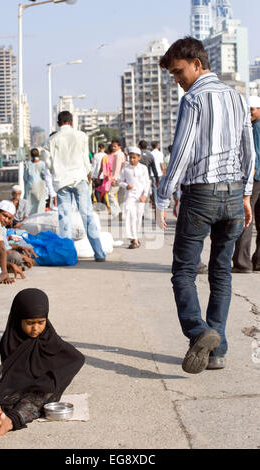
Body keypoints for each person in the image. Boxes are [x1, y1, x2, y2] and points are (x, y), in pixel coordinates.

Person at [156, 37, 255, 374]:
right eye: (172, 74)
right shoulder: (237, 97)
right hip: (232, 195)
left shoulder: (193, 98)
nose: (177, 79)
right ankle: (218, 350)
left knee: (183, 272)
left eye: (178, 71)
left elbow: (181, 152)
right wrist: (244, 194)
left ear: (197, 64)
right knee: (221, 271)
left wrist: (162, 196)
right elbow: (248, 151)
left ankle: (200, 332)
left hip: (201, 195)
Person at [0, 288, 85, 436]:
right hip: (16, 388)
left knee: (37, 399)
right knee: (2, 402)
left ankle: (8, 422)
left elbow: (76, 358)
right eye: (29, 323)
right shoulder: (10, 341)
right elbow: (11, 375)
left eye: (41, 322)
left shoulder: (49, 337)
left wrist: (54, 379)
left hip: (40, 389)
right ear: (18, 318)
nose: (36, 328)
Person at [44, 111, 106, 262]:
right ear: (71, 122)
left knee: (65, 218)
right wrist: (87, 173)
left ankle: (68, 255)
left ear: (58, 123)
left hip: (62, 182)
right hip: (79, 179)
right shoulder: (82, 136)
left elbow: (47, 163)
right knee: (87, 216)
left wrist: (57, 171)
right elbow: (86, 159)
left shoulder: (51, 140)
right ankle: (99, 253)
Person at [232, 95, 260, 273]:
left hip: (255, 179)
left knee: (246, 220)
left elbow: (253, 154)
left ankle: (242, 262)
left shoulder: (254, 127)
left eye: (252, 109)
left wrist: (251, 174)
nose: (249, 113)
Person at [118, 147, 150, 249]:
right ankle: (134, 239)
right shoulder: (126, 168)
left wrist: (145, 195)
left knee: (138, 217)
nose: (132, 159)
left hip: (140, 197)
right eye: (130, 157)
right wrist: (126, 186)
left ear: (139, 158)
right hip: (130, 196)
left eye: (134, 158)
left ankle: (135, 238)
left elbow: (147, 183)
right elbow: (120, 181)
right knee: (130, 216)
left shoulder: (143, 168)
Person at [24, 148, 46, 215]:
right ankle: (39, 217)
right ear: (38, 154)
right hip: (40, 185)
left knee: (30, 203)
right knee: (40, 203)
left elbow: (25, 177)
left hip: (30, 185)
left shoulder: (27, 164)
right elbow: (44, 175)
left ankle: (30, 217)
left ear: (31, 154)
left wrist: (27, 184)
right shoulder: (42, 164)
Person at [108, 139, 126, 219]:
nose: (113, 148)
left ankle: (118, 211)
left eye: (115, 146)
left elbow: (118, 167)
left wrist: (114, 179)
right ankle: (122, 214)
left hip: (118, 178)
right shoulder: (121, 154)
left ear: (119, 147)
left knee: (110, 194)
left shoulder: (118, 155)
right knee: (121, 197)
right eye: (112, 146)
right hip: (123, 178)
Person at [95, 144, 114, 211]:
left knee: (102, 192)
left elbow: (102, 168)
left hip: (106, 178)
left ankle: (106, 206)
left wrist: (98, 176)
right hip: (114, 178)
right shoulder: (116, 157)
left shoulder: (105, 157)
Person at [151, 141, 165, 206]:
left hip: (152, 173)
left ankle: (155, 202)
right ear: (157, 146)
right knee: (159, 187)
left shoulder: (150, 153)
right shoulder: (160, 153)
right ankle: (159, 201)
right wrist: (164, 171)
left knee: (154, 188)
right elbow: (161, 164)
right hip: (159, 173)